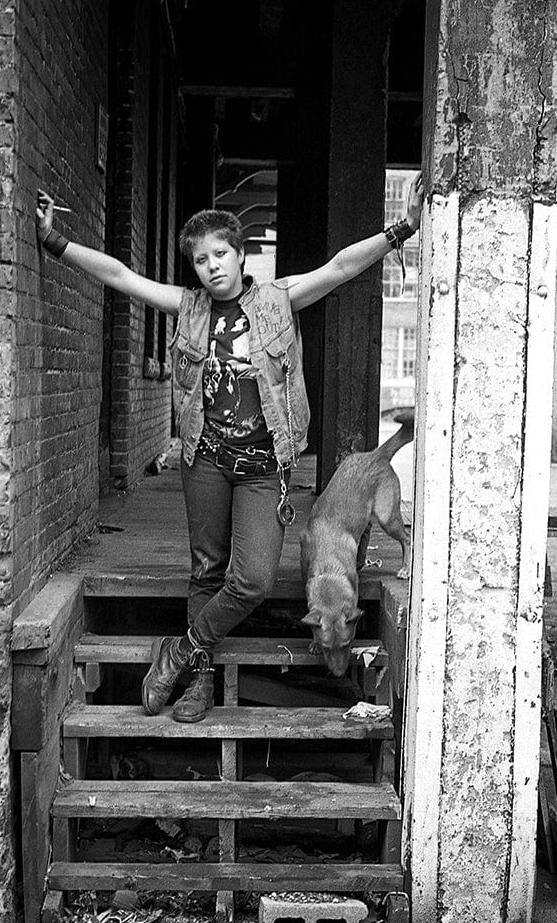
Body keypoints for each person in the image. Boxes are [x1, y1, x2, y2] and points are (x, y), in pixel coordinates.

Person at [36, 174, 423, 723]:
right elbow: (121, 276)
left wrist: (402, 227)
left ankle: (181, 649)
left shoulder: (280, 300)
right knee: (207, 572)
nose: (212, 265)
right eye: (200, 259)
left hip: (266, 468)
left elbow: (340, 267)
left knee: (254, 578)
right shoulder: (187, 307)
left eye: (221, 254)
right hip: (207, 462)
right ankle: (199, 684)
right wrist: (55, 241)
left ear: (241, 257)